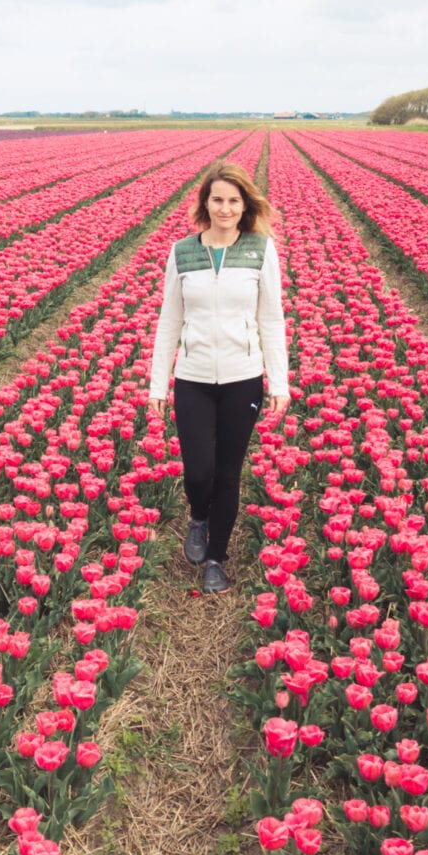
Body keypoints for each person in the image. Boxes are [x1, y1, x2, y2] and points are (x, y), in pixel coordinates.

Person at [146, 161, 290, 594]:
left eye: (233, 200)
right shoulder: (182, 252)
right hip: (192, 378)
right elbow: (169, 320)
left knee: (228, 473)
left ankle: (216, 557)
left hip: (242, 378)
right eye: (217, 200)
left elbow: (272, 319)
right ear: (204, 204)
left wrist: (279, 382)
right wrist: (158, 382)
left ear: (244, 205)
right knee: (197, 471)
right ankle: (198, 516)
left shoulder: (261, 251)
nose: (225, 208)